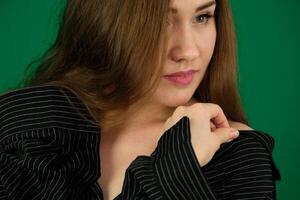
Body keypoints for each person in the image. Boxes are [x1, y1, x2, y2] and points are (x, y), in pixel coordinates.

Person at [0, 0, 281, 199]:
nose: (188, 51)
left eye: (202, 17)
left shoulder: (237, 154)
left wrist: (174, 172)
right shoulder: (26, 130)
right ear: (107, 23)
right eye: (161, 20)